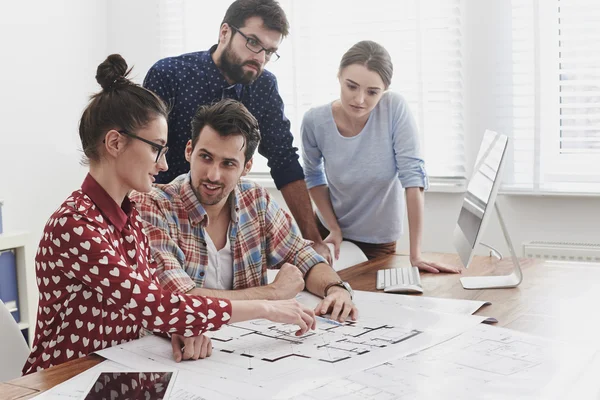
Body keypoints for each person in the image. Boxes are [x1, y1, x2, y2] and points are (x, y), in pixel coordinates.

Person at [22, 54, 316, 375]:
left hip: (119, 368)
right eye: (156, 149)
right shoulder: (75, 224)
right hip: (63, 379)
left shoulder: (128, 216)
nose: (163, 165)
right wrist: (266, 306)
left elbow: (153, 303)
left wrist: (176, 328)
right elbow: (155, 305)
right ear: (115, 143)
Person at [130, 99, 357, 323]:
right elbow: (178, 299)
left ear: (247, 167)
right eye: (206, 157)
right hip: (179, 349)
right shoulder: (152, 206)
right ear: (189, 150)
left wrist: (336, 289)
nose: (213, 175)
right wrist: (273, 294)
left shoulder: (255, 200)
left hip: (248, 348)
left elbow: (303, 257)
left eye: (228, 164)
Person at [143, 0, 332, 263]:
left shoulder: (264, 86)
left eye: (269, 51)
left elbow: (284, 159)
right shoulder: (170, 74)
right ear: (224, 33)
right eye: (253, 42)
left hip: (227, 225)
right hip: (163, 220)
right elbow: (144, 150)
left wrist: (315, 242)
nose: (260, 57)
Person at [301, 41, 460, 273]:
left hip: (379, 241)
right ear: (339, 77)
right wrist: (334, 228)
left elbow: (413, 177)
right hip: (329, 233)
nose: (359, 99)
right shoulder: (315, 121)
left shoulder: (394, 109)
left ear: (384, 90)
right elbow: (313, 176)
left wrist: (416, 255)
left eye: (372, 92)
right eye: (351, 86)